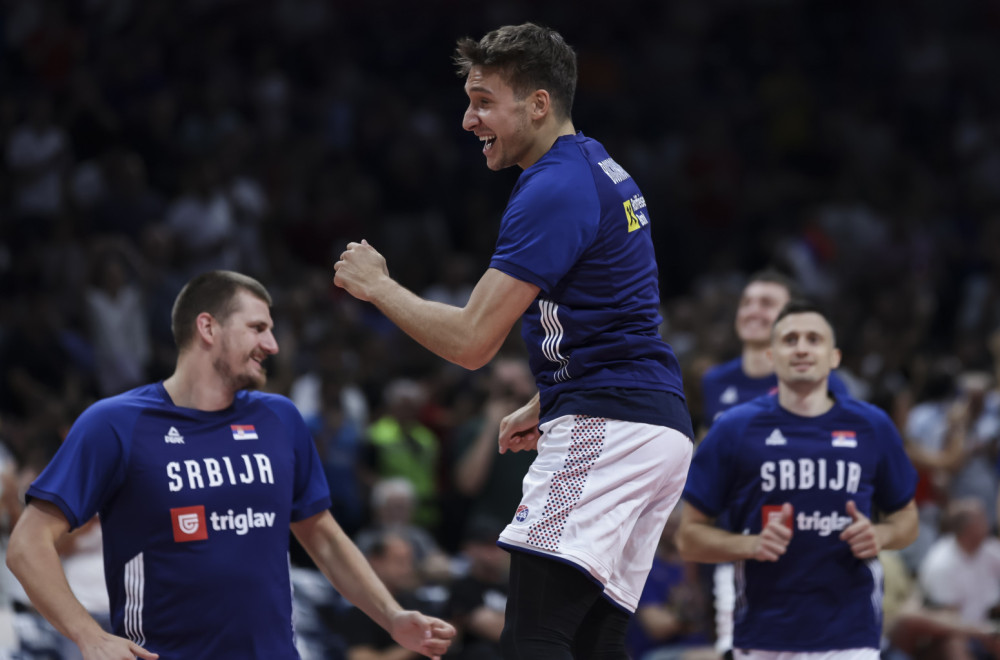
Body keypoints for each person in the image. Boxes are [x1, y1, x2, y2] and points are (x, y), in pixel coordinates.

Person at [334, 22, 694, 659]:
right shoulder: (601, 167)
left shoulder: (555, 186)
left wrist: (378, 287)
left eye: (484, 102)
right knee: (592, 644)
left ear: (538, 104)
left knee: (534, 639)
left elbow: (472, 343)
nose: (468, 119)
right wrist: (548, 397)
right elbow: (615, 310)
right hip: (653, 425)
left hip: (608, 425)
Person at [5, 270, 455, 660]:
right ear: (208, 327)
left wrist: (392, 616)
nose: (272, 345)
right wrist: (88, 635)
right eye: (258, 328)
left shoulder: (280, 418)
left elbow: (323, 535)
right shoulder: (115, 423)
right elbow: (27, 545)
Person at [676, 299, 919, 658]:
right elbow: (688, 538)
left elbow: (907, 520)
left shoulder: (873, 425)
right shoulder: (733, 428)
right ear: (771, 356)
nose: (802, 348)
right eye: (790, 340)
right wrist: (751, 545)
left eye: (813, 339)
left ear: (834, 357)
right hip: (763, 631)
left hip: (850, 631)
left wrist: (880, 535)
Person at [698, 269, 850, 657]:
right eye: (747, 302)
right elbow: (707, 457)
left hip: (811, 550)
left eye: (766, 304)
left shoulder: (826, 382)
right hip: (738, 547)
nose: (753, 311)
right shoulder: (715, 381)